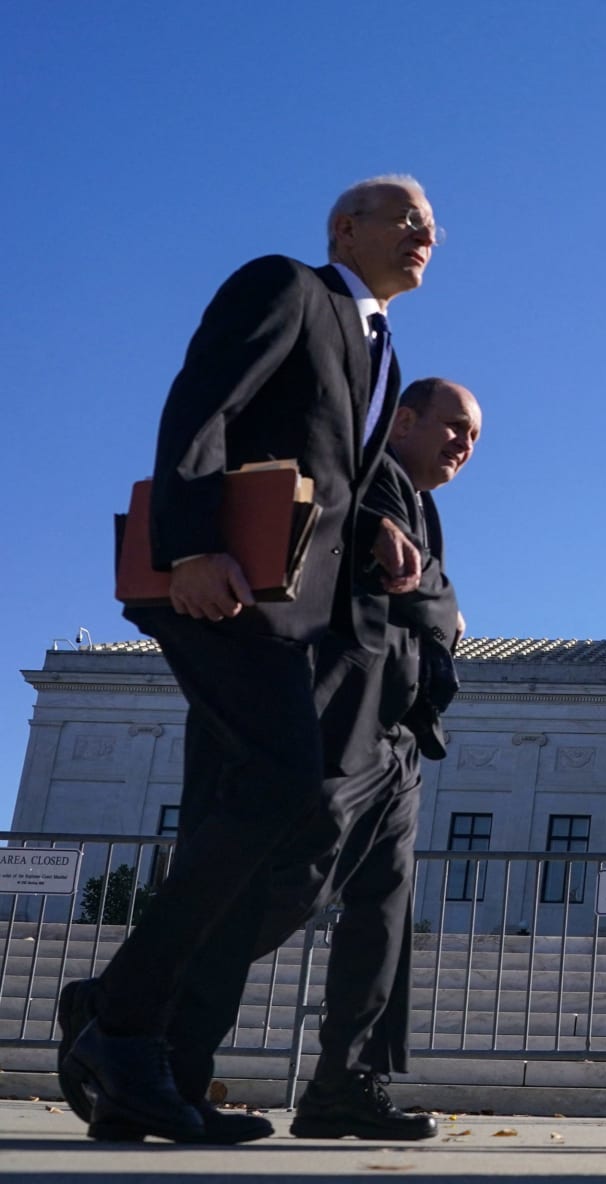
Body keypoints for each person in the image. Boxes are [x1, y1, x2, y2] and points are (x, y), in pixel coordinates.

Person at [58, 176, 439, 1144]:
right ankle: (119, 1017)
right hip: (224, 585)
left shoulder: (379, 348)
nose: (424, 233)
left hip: (292, 607)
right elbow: (203, 401)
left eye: (432, 226)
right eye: (405, 216)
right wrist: (188, 544)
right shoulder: (288, 287)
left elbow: (319, 474)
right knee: (280, 790)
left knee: (261, 805)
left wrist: (374, 537)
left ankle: (148, 1072)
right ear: (343, 227)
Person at [284, 376, 479, 1140]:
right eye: (454, 426)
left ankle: (345, 1079)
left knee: (385, 907)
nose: (464, 445)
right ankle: (122, 1005)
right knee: (300, 877)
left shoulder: (421, 502)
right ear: (401, 421)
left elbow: (419, 589)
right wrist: (444, 601)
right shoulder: (374, 476)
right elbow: (410, 589)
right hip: (351, 708)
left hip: (401, 725)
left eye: (474, 438)